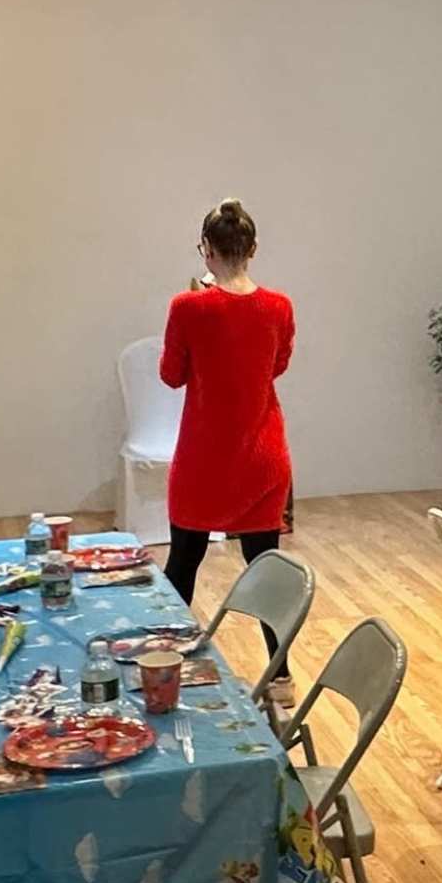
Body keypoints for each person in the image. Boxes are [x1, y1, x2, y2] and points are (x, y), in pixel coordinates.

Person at [158, 199, 294, 607]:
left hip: (203, 460)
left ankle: (171, 655)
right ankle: (281, 668)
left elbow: (171, 375)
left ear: (206, 249)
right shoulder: (279, 306)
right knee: (266, 567)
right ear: (252, 250)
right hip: (263, 456)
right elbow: (277, 366)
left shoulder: (187, 306)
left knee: (182, 562)